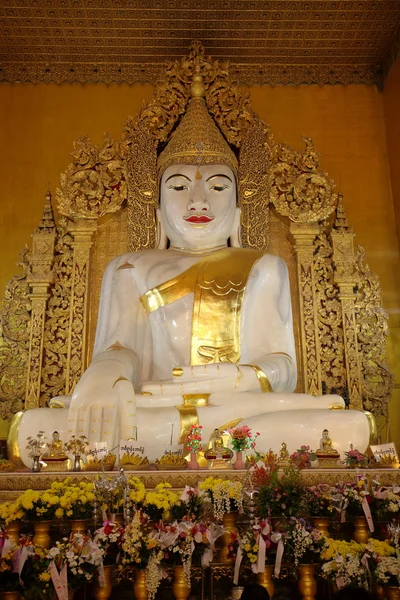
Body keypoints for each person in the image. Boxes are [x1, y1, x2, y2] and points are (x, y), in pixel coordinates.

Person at [12, 68, 371, 466]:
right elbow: (122, 347)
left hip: (236, 409)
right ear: (158, 212)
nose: (198, 200)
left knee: (349, 426)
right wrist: (102, 375)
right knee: (33, 428)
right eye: (178, 187)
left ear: (238, 211)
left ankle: (183, 439)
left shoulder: (263, 266)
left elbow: (282, 367)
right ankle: (197, 440)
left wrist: (238, 378)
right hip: (153, 406)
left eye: (217, 187)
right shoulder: (130, 266)